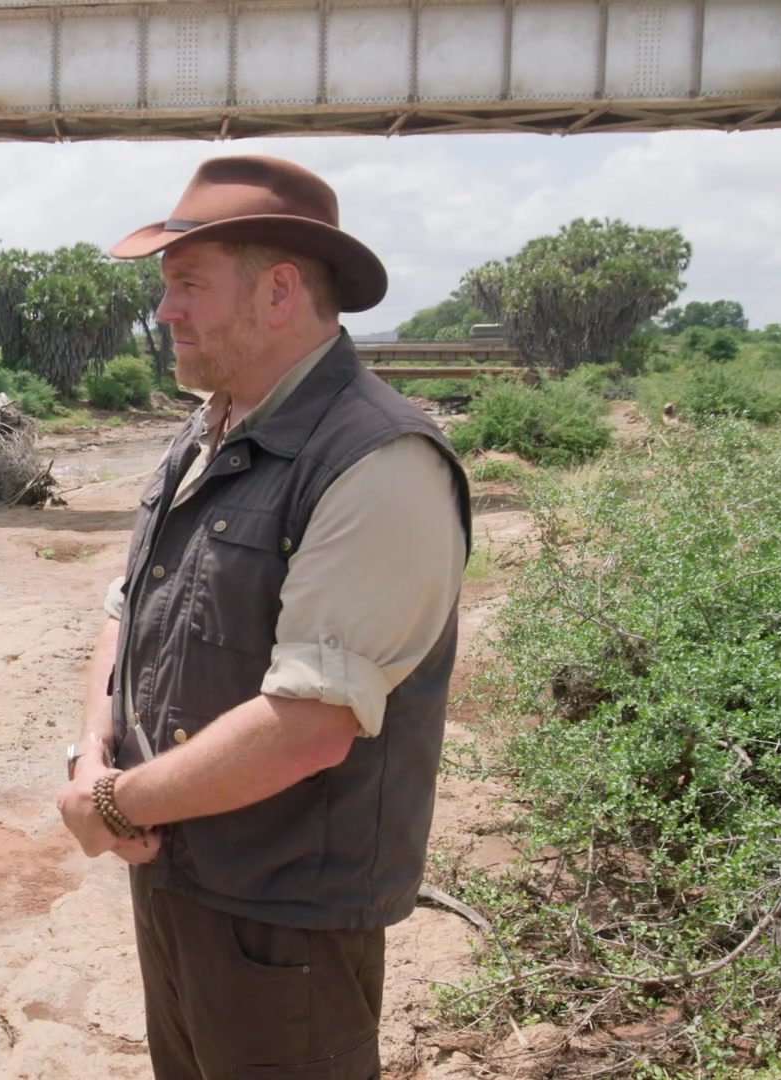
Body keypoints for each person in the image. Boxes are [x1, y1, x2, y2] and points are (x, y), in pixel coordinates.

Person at [56, 155, 472, 1079]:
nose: (164, 311)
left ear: (279, 291)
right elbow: (129, 608)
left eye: (188, 285)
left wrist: (116, 801)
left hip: (285, 918)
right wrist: (94, 755)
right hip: (178, 876)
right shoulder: (209, 431)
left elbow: (311, 725)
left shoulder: (378, 459)